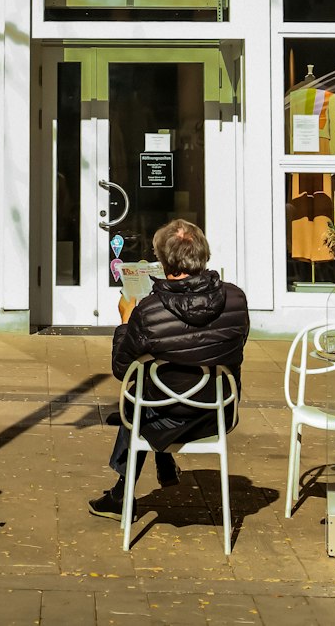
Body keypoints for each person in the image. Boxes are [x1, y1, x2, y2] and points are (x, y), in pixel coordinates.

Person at [88, 218, 250, 520]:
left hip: (162, 415)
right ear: (203, 254)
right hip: (216, 411)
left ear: (163, 261)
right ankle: (161, 465)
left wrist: (125, 321)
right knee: (154, 387)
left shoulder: (149, 311)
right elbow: (236, 350)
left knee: (137, 395)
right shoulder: (236, 300)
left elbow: (121, 368)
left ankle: (123, 494)